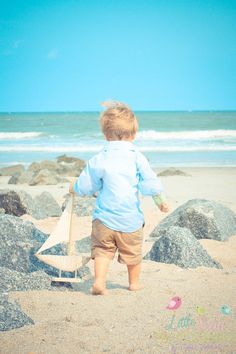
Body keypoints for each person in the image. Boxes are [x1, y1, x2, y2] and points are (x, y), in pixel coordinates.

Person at [69, 101, 169, 295]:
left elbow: (88, 184)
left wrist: (75, 187)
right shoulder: (137, 157)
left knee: (102, 251)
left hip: (104, 220)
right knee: (133, 254)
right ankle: (134, 283)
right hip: (130, 220)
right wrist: (160, 201)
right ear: (134, 134)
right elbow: (149, 180)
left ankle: (99, 282)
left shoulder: (100, 158)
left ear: (106, 135)